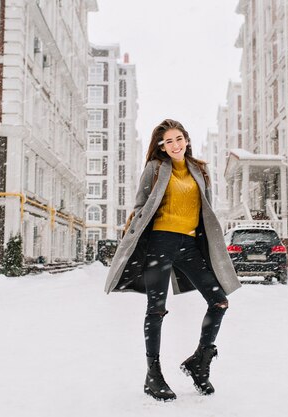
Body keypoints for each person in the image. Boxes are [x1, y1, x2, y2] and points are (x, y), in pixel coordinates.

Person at [104, 119, 241, 401]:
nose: (175, 145)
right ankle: (152, 375)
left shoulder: (199, 170)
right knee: (156, 309)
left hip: (189, 244)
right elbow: (141, 206)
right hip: (160, 242)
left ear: (186, 140)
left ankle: (199, 363)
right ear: (162, 147)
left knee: (219, 300)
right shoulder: (154, 169)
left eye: (179, 139)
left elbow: (206, 209)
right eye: (168, 141)